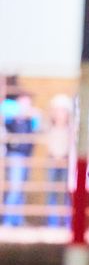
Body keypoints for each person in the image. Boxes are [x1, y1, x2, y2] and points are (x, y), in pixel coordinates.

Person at [2, 93, 39, 226]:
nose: (26, 106)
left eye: (28, 103)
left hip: (26, 157)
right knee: (15, 188)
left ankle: (17, 220)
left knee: (21, 189)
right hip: (15, 156)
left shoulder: (31, 120)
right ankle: (8, 221)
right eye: (23, 103)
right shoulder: (11, 120)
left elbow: (39, 130)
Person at [45, 94, 73, 227]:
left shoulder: (70, 130)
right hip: (53, 161)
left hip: (66, 162)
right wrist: (56, 157)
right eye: (57, 111)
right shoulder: (50, 128)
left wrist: (63, 157)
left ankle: (67, 222)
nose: (60, 114)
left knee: (67, 192)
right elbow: (49, 144)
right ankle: (53, 222)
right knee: (52, 192)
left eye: (62, 111)